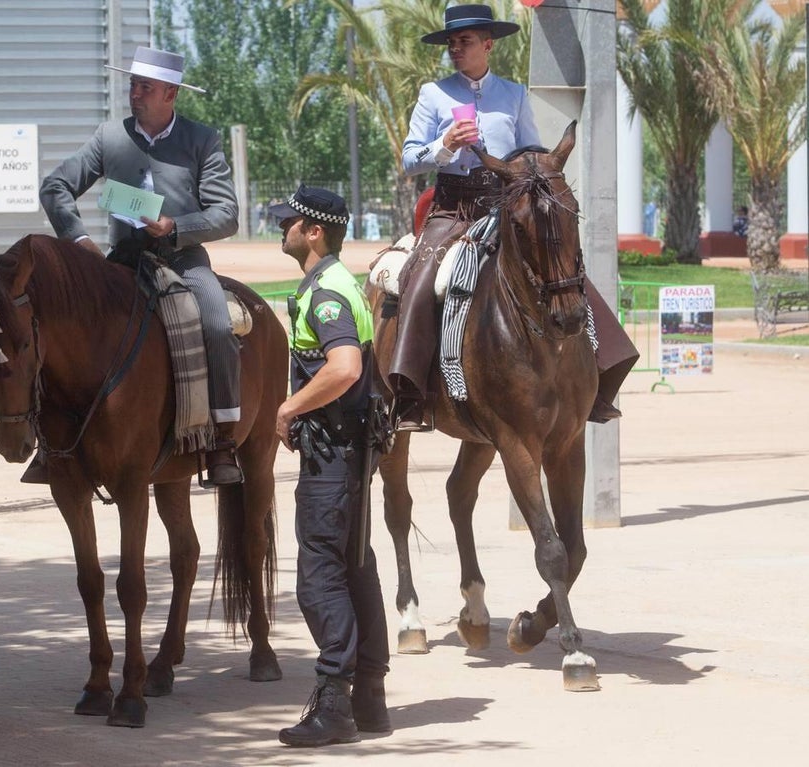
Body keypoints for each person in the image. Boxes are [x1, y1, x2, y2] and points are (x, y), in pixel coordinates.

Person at [390, 3, 637, 431]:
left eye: (464, 41)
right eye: (451, 43)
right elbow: (410, 159)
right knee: (422, 276)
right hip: (453, 209)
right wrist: (445, 144)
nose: (456, 49)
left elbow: (533, 154)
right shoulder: (434, 94)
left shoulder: (515, 94)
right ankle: (410, 395)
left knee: (562, 268)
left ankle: (602, 377)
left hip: (506, 204)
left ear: (488, 45)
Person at [39, 46, 242, 486]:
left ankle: (223, 437)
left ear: (170, 93)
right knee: (59, 326)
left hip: (184, 260)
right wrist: (77, 241)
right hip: (123, 263)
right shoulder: (109, 137)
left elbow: (226, 213)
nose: (134, 94)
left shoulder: (201, 139)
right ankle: (50, 440)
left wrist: (175, 226)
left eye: (145, 87)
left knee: (216, 321)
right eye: (132, 85)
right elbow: (55, 185)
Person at [271, 186, 390, 748]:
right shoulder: (339, 281)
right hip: (349, 450)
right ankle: (369, 698)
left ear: (313, 231)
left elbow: (343, 367)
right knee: (355, 563)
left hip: (333, 457)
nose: (283, 228)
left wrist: (290, 406)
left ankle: (334, 704)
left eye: (289, 222)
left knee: (320, 574)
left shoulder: (327, 292)